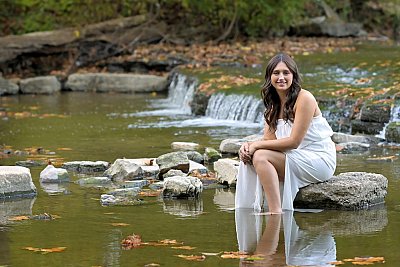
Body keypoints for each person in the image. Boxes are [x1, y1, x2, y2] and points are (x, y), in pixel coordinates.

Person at [235, 53, 336, 214]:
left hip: (319, 159)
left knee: (260, 155)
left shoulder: (305, 98)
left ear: (293, 76)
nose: (281, 77)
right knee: (253, 155)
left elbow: (294, 142)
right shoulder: (272, 107)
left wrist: (256, 145)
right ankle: (253, 209)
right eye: (276, 73)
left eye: (286, 73)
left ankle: (275, 212)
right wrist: (248, 146)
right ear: (269, 77)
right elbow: (269, 141)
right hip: (295, 156)